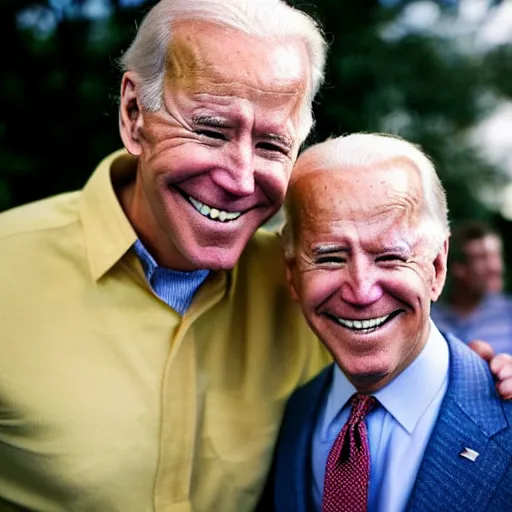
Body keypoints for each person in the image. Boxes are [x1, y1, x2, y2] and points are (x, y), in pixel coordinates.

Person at [0, 2, 511, 511]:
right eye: (210, 130)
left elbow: (403, 344)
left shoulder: (310, 285)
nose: (240, 180)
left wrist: (483, 375)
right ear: (134, 114)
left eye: (271, 144)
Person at [270, 134, 512, 512]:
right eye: (331, 258)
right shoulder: (292, 414)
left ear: (437, 267)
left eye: (390, 256)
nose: (362, 292)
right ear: (292, 275)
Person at [431, 220, 512, 354]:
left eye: (497, 256)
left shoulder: (508, 312)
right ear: (459, 268)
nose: (496, 267)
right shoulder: (430, 320)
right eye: (482, 258)